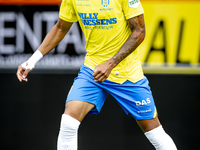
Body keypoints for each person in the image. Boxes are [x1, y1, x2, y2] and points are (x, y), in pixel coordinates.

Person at [16, 0, 177, 149]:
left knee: (155, 133)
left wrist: (111, 63)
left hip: (126, 74)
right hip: (93, 70)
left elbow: (140, 31)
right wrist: (31, 61)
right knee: (68, 122)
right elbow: (60, 27)